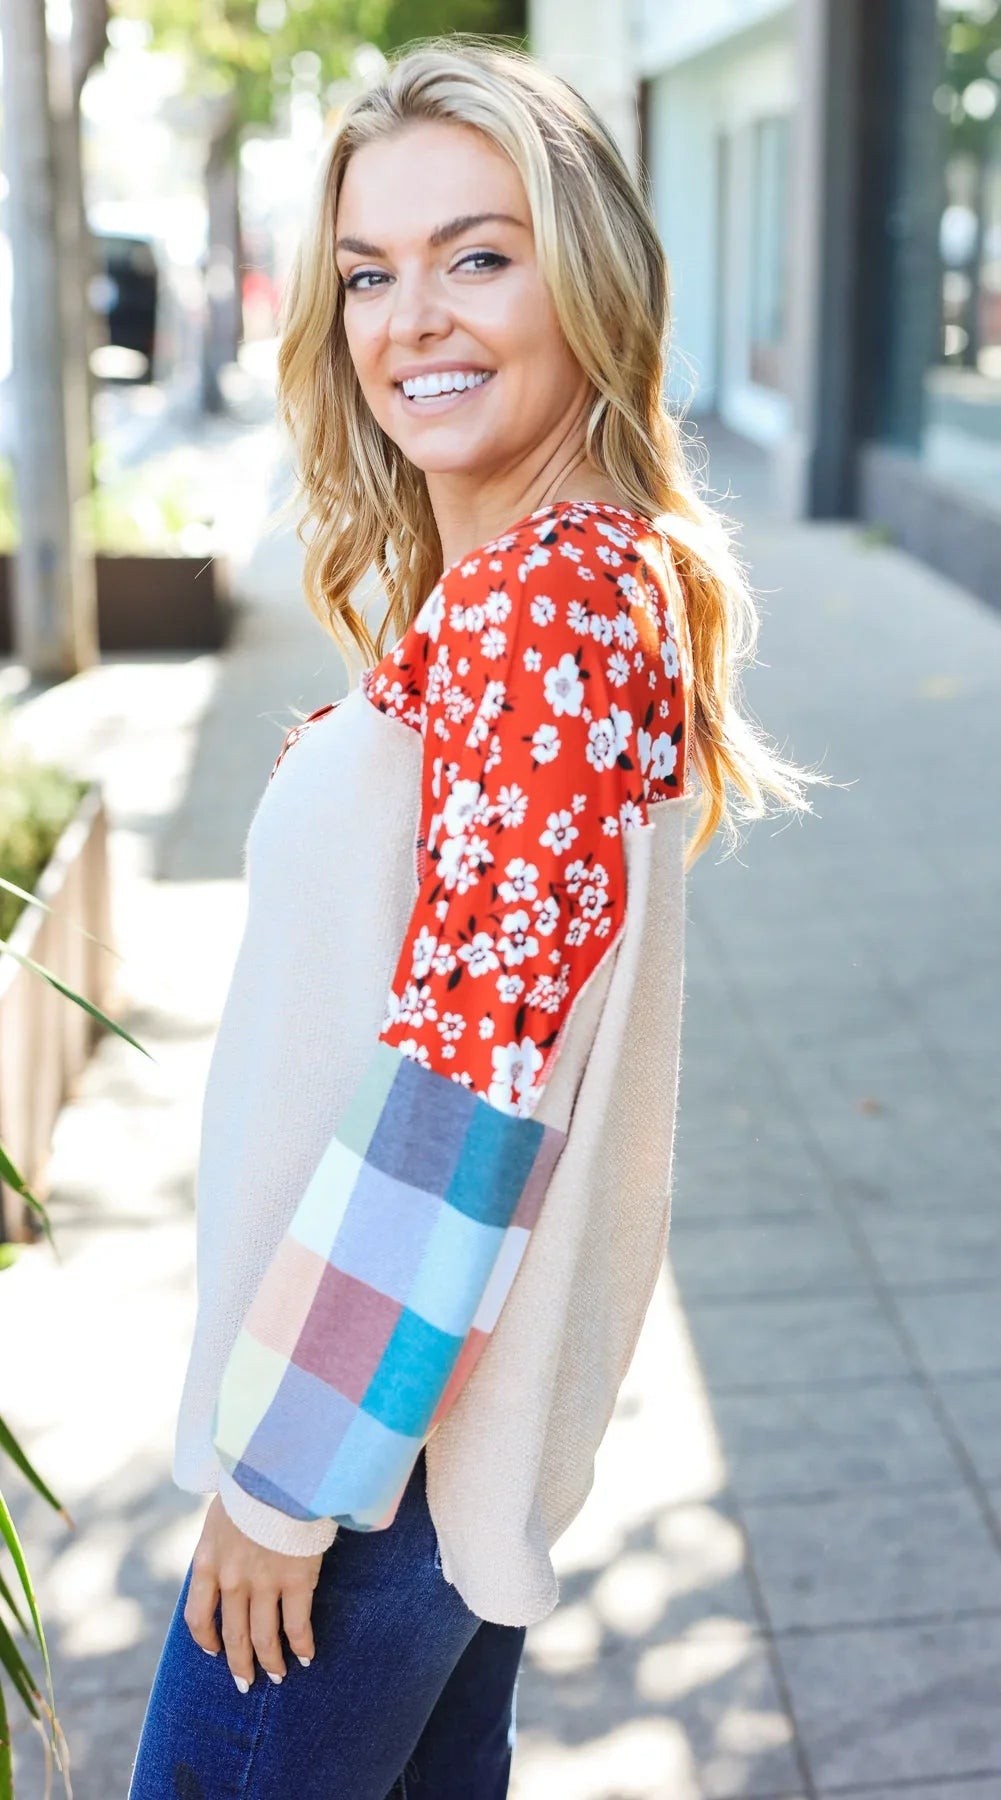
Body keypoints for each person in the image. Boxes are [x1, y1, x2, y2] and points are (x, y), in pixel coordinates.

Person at [128, 36, 825, 1799]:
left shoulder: (545, 608)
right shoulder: (567, 586)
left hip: (367, 1459)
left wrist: (289, 1478)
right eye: (370, 271)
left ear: (585, 280)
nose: (409, 317)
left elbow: (472, 1084)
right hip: (428, 1433)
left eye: (478, 255)